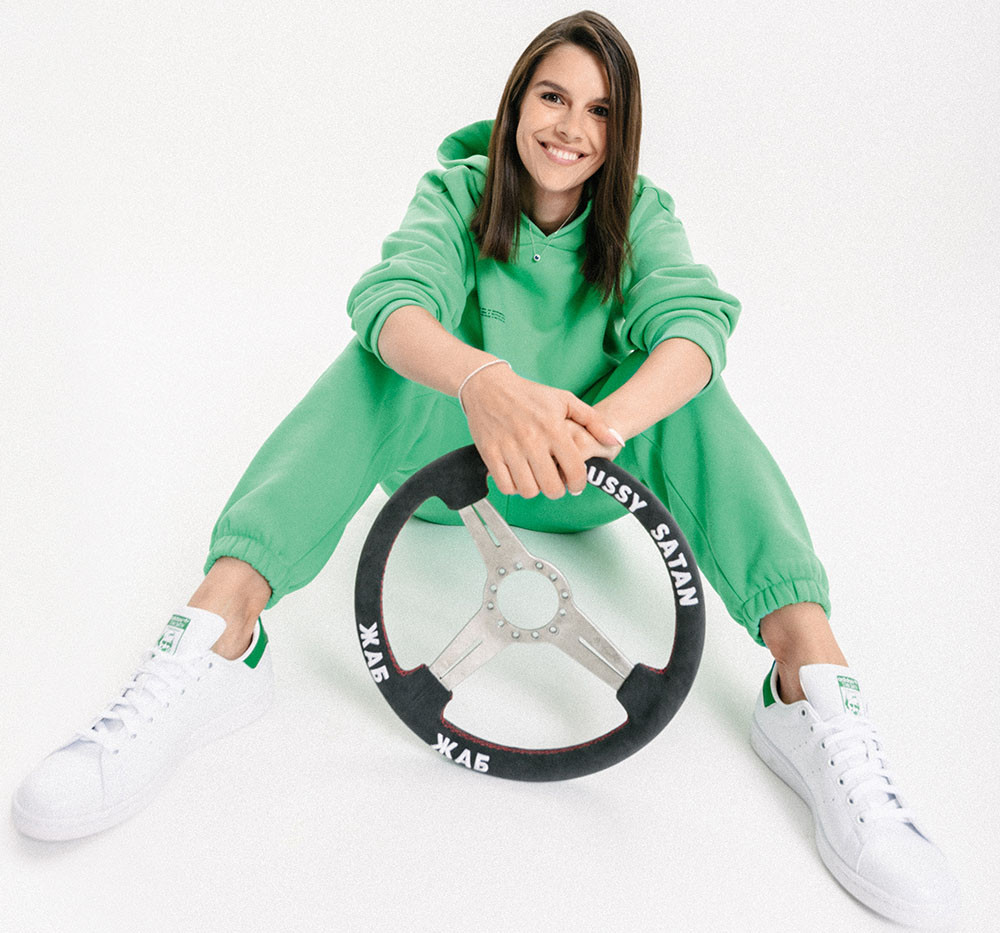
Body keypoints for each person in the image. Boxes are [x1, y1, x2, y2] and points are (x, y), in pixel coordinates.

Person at [13, 9, 958, 928]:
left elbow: (693, 323)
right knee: (370, 365)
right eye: (554, 97)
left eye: (600, 111)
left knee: (693, 394)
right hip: (452, 471)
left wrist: (599, 426)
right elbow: (391, 299)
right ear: (515, 103)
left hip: (588, 474)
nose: (572, 127)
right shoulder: (457, 194)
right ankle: (217, 638)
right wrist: (486, 384)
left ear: (622, 132)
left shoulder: (642, 214)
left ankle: (809, 687)